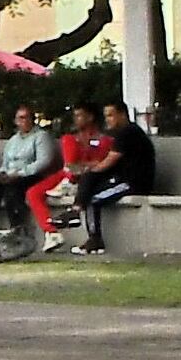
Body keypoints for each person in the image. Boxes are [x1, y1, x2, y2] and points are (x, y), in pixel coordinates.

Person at [77, 99, 160, 254]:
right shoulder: (125, 133)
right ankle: (77, 211)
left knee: (94, 199)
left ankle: (95, 239)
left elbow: (110, 161)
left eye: (111, 115)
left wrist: (92, 170)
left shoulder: (127, 132)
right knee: (90, 187)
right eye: (106, 116)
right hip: (124, 180)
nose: (108, 119)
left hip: (134, 183)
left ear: (122, 115)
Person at [0, 103, 56, 233]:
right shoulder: (13, 140)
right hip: (10, 175)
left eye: (26, 117)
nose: (23, 121)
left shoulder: (41, 136)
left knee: (12, 190)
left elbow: (44, 161)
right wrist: (3, 173)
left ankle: (18, 229)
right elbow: (5, 163)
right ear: (15, 121)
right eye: (20, 118)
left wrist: (20, 173)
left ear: (32, 119)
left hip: (31, 176)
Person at [41, 106, 109, 250]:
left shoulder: (103, 138)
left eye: (79, 115)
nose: (75, 119)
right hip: (75, 174)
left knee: (93, 196)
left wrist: (81, 167)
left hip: (96, 178)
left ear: (90, 117)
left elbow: (100, 163)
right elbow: (72, 165)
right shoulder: (72, 138)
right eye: (75, 115)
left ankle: (77, 213)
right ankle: (51, 232)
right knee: (32, 192)